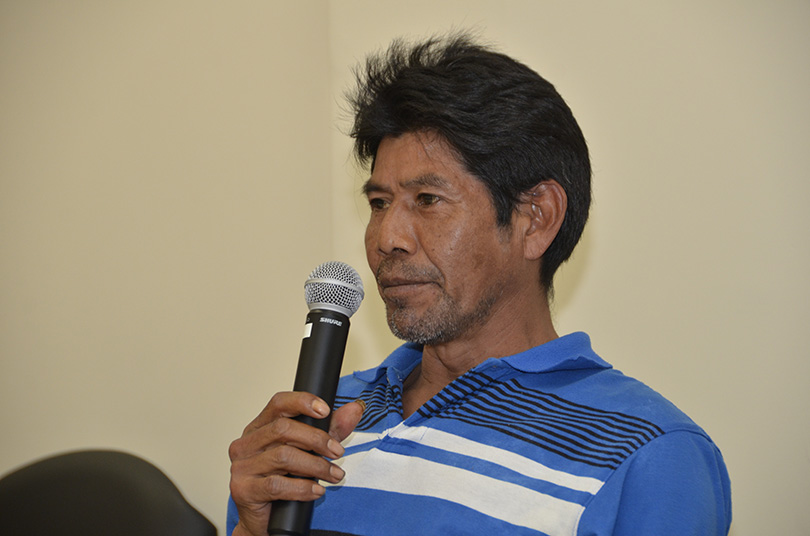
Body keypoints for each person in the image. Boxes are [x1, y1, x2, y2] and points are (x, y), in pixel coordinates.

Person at [227, 33, 732, 536]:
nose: (387, 238)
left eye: (427, 199)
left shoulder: (649, 453)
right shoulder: (316, 424)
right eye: (379, 203)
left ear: (535, 219)